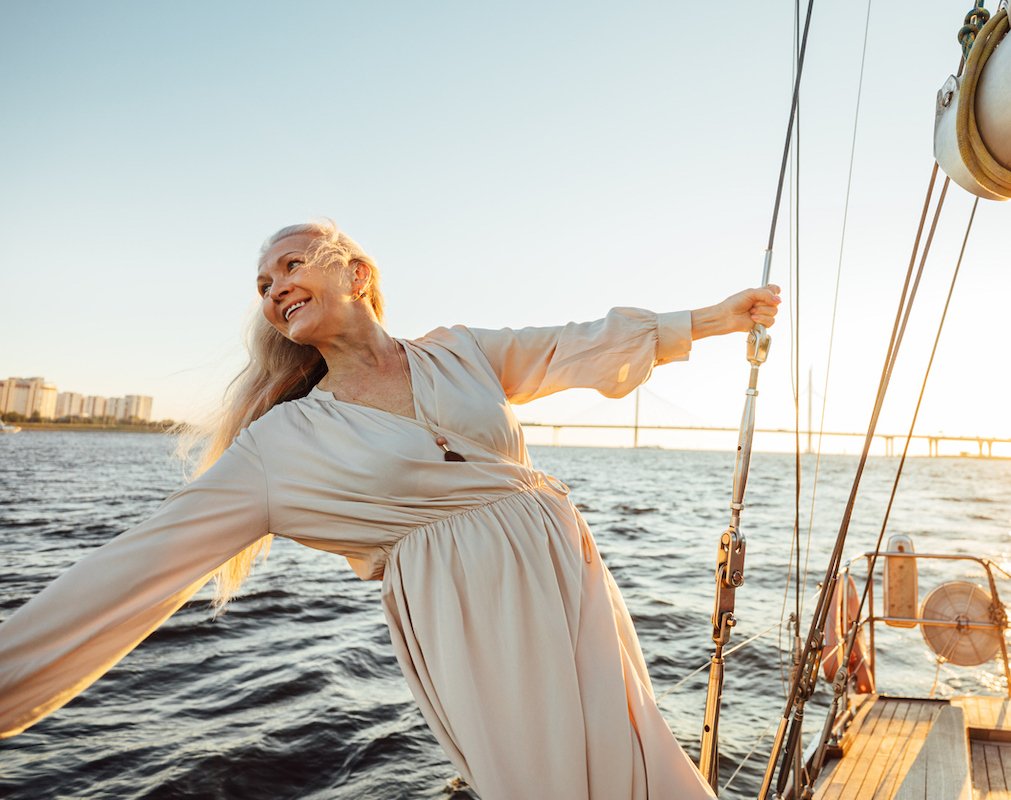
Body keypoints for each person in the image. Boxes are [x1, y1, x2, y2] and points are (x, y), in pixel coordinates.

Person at [0, 220, 781, 799]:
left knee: (643, 767)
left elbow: (575, 344)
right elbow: (135, 563)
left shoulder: (459, 351)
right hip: (477, 623)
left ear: (358, 272)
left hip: (569, 582)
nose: (274, 289)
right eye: (264, 286)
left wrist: (714, 319)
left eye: (290, 264)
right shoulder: (284, 445)